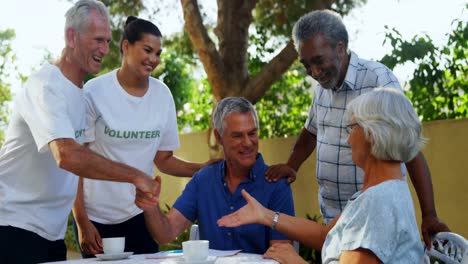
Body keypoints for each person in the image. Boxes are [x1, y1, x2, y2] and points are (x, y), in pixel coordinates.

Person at [264, 9, 449, 247]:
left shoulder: (379, 80)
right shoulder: (323, 86)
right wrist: (292, 165)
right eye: (306, 64)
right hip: (335, 219)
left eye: (318, 60)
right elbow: (311, 131)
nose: (314, 72)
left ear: (340, 48)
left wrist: (429, 214)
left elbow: (409, 147)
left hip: (373, 220)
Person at [0, 2, 159, 263]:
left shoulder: (81, 95)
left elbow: (76, 167)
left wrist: (81, 221)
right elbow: (67, 156)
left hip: (51, 234)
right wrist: (136, 177)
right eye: (97, 39)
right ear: (71, 37)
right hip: (14, 228)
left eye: (108, 41)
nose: (105, 50)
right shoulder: (46, 85)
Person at [219, 88, 425, 263]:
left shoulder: (378, 203)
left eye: (351, 128)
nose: (348, 139)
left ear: (371, 134)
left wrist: (295, 261)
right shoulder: (383, 191)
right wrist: (265, 215)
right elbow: (325, 235)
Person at [72, 16, 216, 258]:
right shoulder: (93, 93)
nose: (153, 59)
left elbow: (164, 159)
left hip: (141, 214)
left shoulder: (162, 95)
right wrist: (81, 221)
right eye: (147, 50)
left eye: (158, 53)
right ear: (126, 46)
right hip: (97, 219)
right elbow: (76, 163)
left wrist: (201, 169)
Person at [135, 97, 295, 254]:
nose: (247, 143)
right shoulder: (203, 179)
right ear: (218, 137)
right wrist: (151, 206)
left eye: (252, 133)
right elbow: (165, 234)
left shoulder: (276, 184)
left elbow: (281, 252)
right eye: (237, 136)